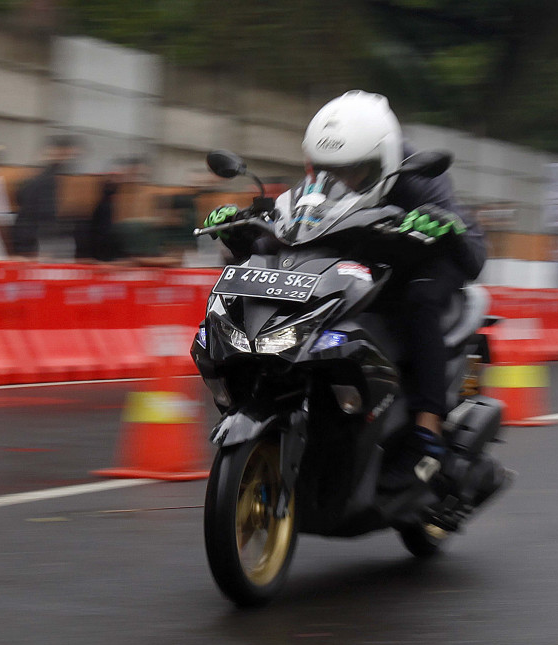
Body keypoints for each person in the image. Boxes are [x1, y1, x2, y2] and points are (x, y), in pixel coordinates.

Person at [202, 90, 506, 497]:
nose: (336, 180)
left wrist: (442, 226)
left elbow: (472, 257)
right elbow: (286, 238)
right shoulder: (322, 181)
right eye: (325, 170)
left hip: (431, 256)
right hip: (368, 259)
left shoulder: (417, 178)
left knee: (419, 300)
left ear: (379, 161)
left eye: (352, 171)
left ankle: (426, 432)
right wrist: (241, 237)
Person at [11, 135, 80, 260]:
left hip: (26, 236)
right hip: (34, 240)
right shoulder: (48, 179)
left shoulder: (35, 176)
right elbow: (46, 213)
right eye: (66, 153)